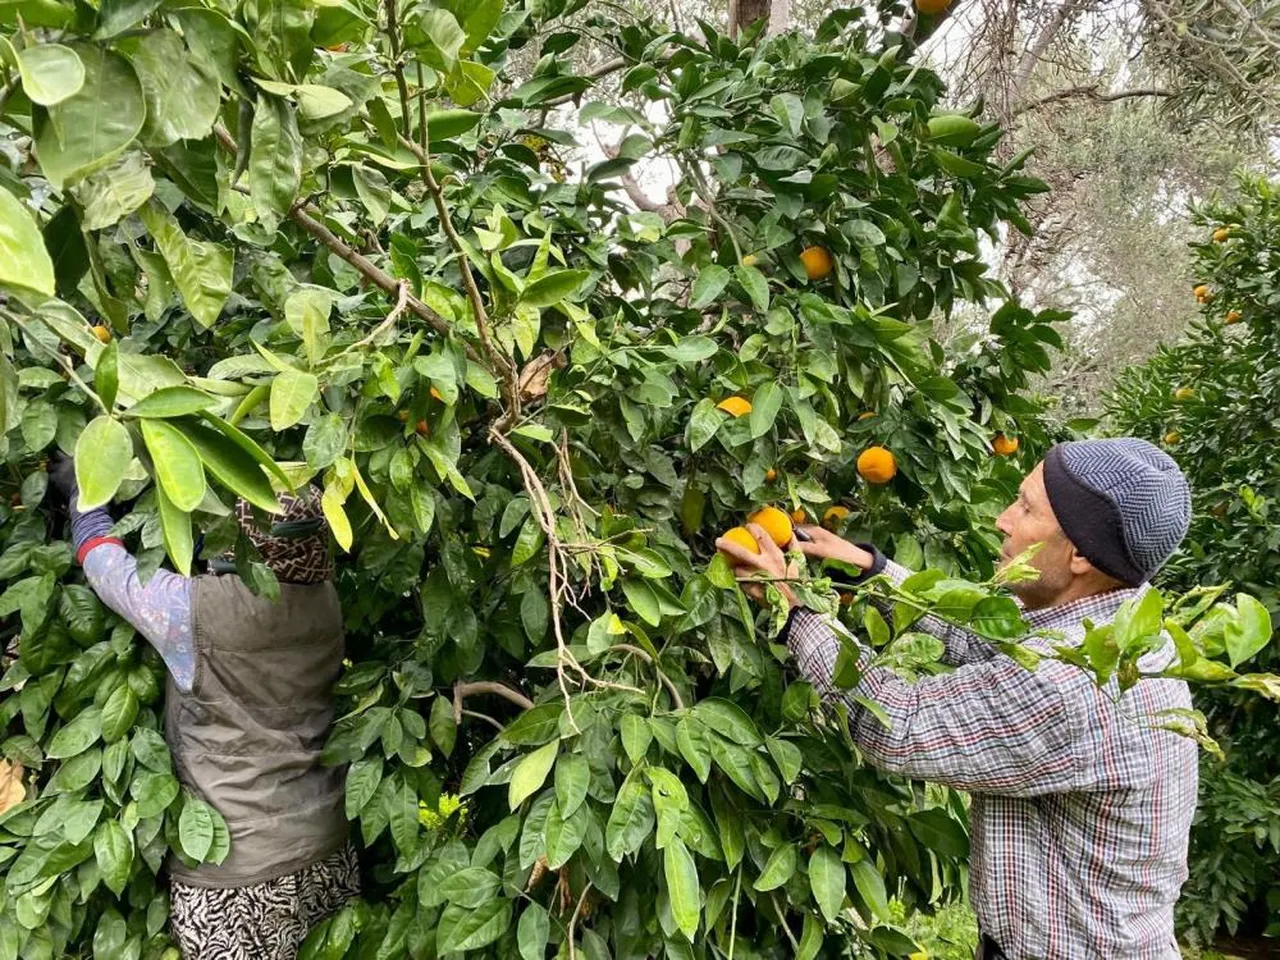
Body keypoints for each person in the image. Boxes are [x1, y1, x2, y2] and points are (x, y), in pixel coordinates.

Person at [717, 438, 1198, 960]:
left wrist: (795, 611)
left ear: (1080, 553)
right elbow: (980, 641)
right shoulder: (1118, 630)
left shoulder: (1075, 684)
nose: (1003, 519)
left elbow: (895, 722)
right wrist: (867, 569)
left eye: (1026, 509)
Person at [51, 459, 357, 960]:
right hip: (325, 843)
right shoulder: (324, 599)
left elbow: (109, 571)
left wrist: (86, 497)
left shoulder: (195, 613)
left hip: (238, 877)